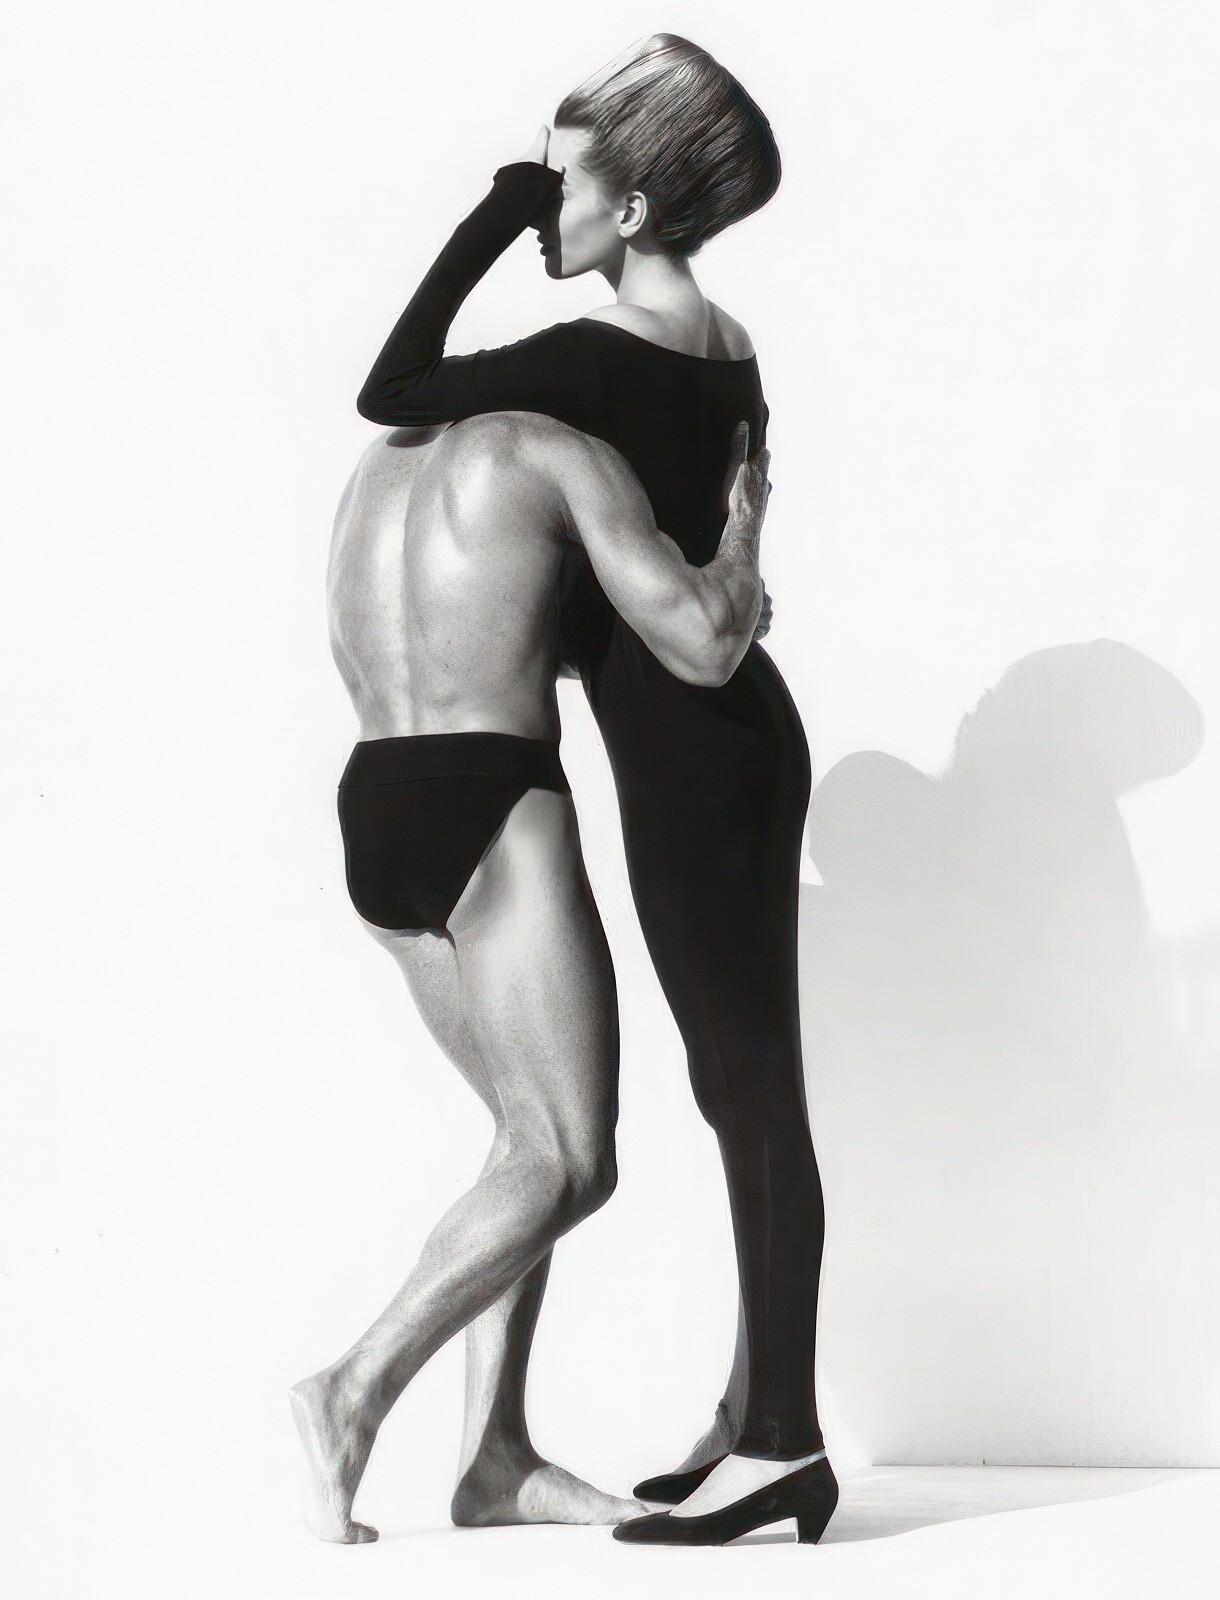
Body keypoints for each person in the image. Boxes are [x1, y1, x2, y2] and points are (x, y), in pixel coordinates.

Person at [354, 35, 837, 1546]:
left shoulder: (589, 361)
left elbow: (392, 385)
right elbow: (716, 544)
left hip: (693, 748)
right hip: (729, 732)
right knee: (733, 1081)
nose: (537, 204)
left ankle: (783, 1443)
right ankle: (749, 1412)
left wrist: (483, 219)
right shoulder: (727, 347)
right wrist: (732, 568)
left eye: (554, 180)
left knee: (749, 1082)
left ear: (626, 210)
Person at [290, 410, 771, 1543]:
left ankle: (494, 1460)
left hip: (375, 806)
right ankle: (352, 1388)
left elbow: (452, 628)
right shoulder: (546, 447)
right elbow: (707, 640)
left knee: (521, 1140)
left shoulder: (379, 471)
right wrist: (743, 534)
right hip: (493, 799)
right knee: (568, 1159)